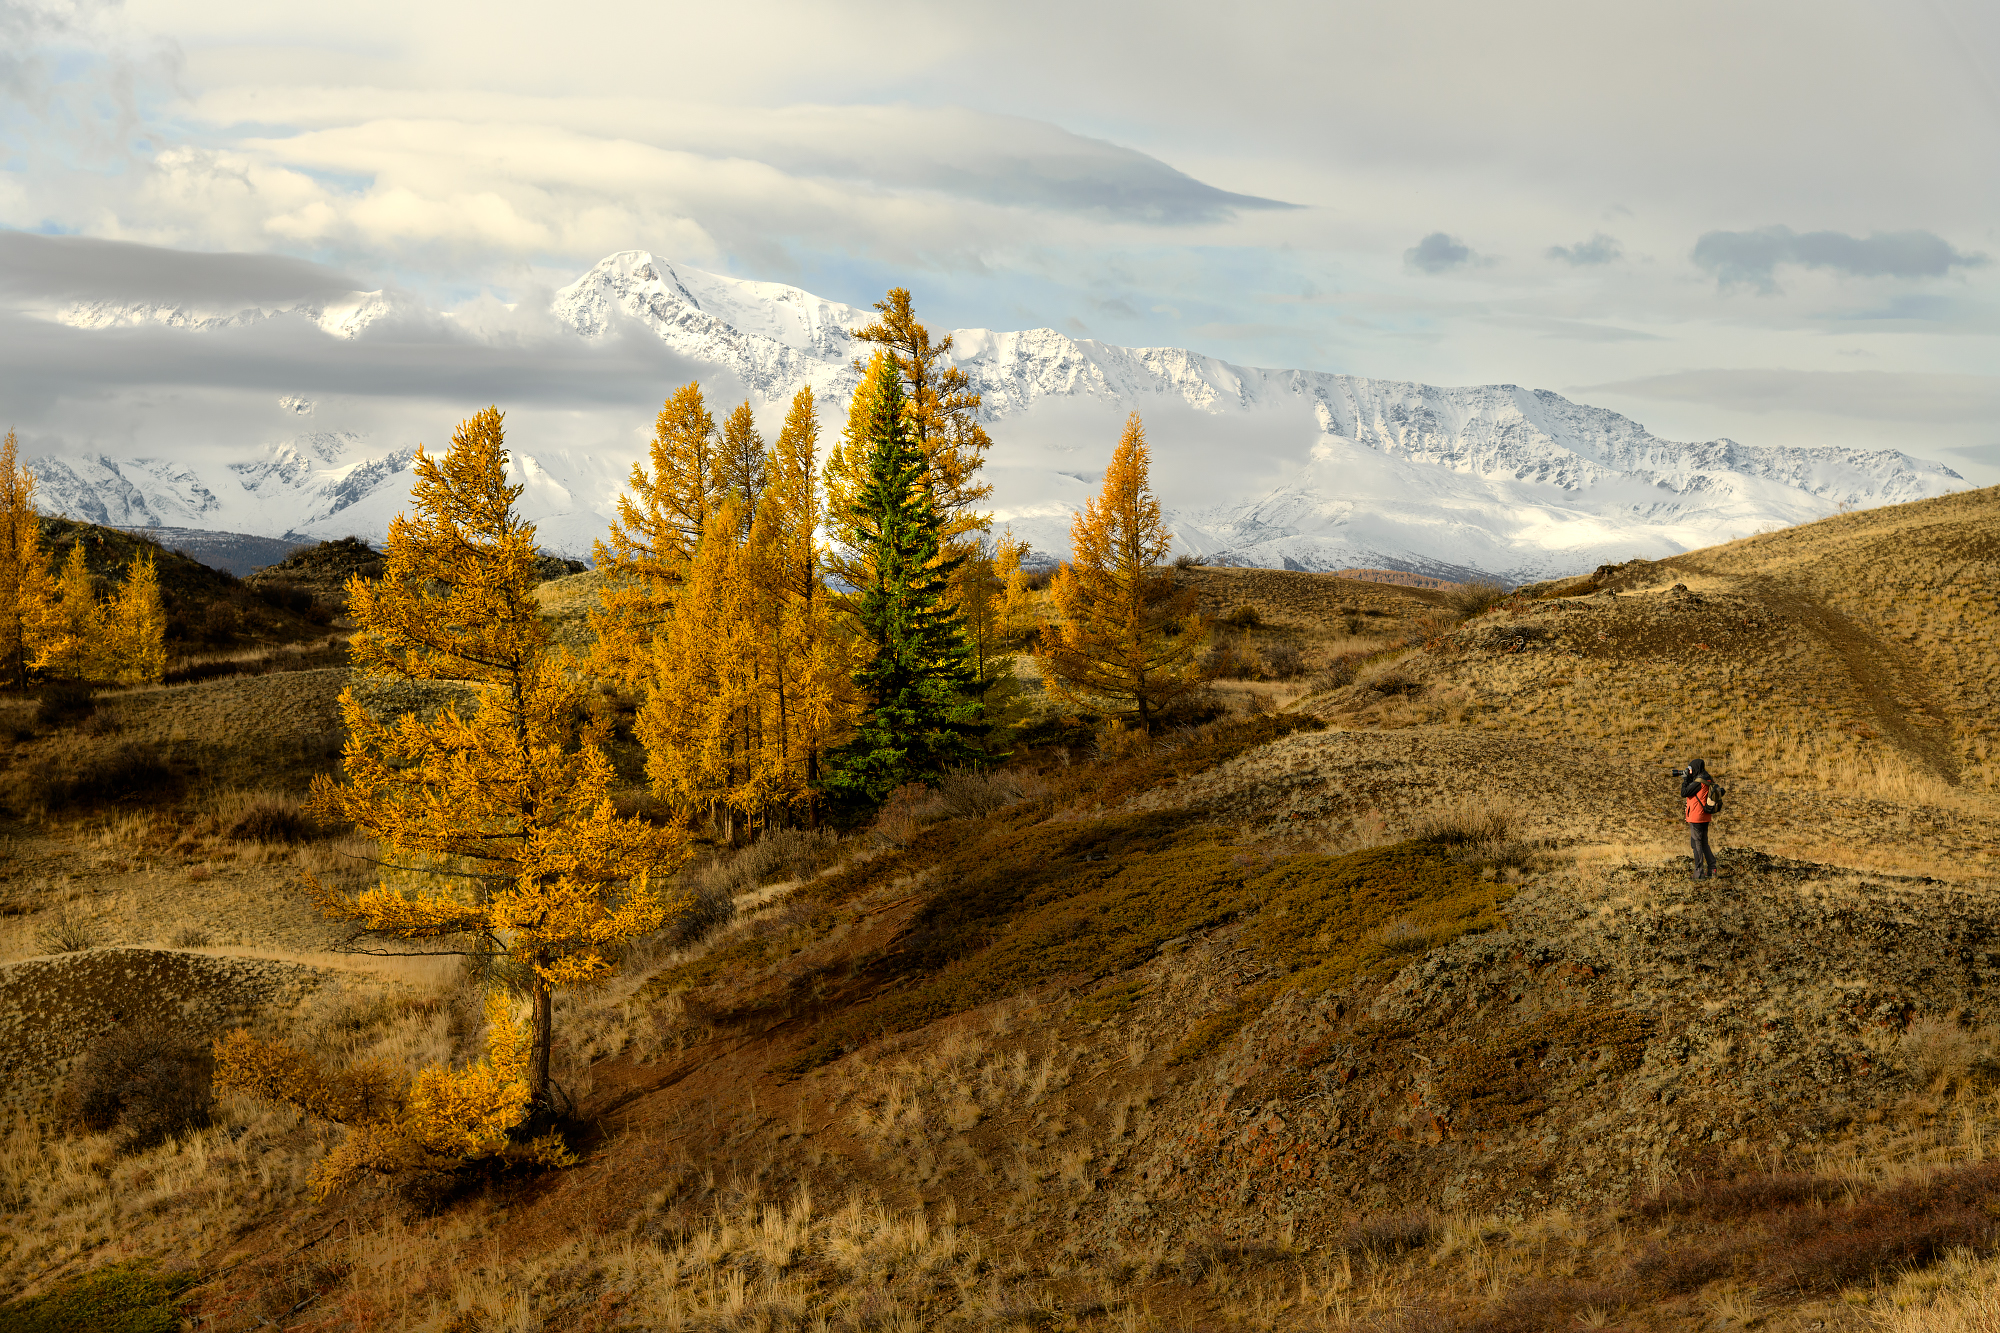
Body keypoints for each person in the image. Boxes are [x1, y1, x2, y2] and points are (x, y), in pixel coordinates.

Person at [1681, 758, 1718, 879]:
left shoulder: (1698, 782)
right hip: (1705, 816)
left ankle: (1699, 873)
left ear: (1696, 769)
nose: (1689, 771)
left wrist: (1685, 779)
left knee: (1696, 845)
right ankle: (1712, 868)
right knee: (1704, 843)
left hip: (1696, 817)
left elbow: (1684, 792)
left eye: (1690, 769)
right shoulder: (1707, 779)